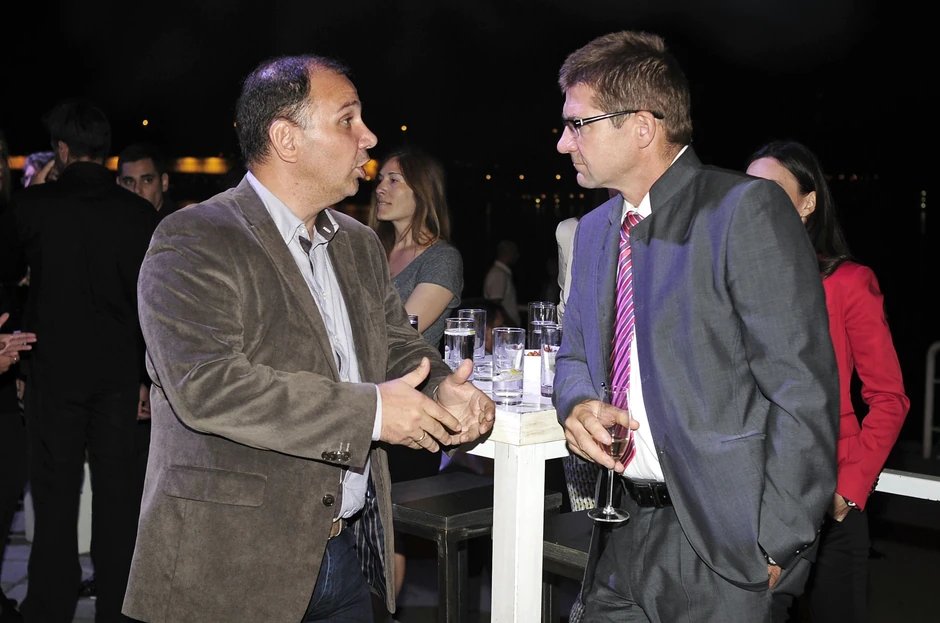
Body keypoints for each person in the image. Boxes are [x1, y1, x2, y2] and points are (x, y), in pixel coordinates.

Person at [121, 55, 495, 623]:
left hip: (343, 552)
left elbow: (395, 342)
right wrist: (373, 413)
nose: (368, 136)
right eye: (347, 119)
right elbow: (207, 385)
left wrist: (443, 387)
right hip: (230, 562)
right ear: (286, 139)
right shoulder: (195, 237)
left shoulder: (358, 242)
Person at [552, 31, 839, 622]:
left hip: (721, 546)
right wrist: (577, 403)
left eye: (578, 124)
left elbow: (801, 386)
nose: (563, 142)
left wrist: (777, 540)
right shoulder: (596, 229)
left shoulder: (743, 210)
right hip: (617, 531)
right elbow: (574, 357)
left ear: (642, 127)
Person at [0, 99, 158, 623]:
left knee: (54, 496)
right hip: (118, 378)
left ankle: (50, 605)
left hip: (52, 374)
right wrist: (145, 377)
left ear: (63, 150)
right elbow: (150, 304)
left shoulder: (32, 207)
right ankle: (118, 608)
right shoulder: (138, 214)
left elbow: (6, 275)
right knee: (118, 500)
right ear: (105, 152)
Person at [746, 140, 909, 622]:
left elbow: (890, 398)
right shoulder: (735, 281)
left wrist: (849, 486)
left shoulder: (848, 283)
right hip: (752, 495)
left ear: (808, 203)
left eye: (771, 190)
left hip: (828, 493)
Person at [368, 146, 464, 598]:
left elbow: (402, 330)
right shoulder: (369, 250)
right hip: (364, 400)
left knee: (390, 526)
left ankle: (384, 612)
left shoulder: (441, 258)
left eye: (394, 180)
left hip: (410, 405)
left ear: (422, 191)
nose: (380, 188)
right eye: (379, 179)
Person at [116, 143, 180, 221]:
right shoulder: (111, 222)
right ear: (118, 184)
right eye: (128, 182)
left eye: (147, 181)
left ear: (164, 182)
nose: (137, 190)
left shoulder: (182, 225)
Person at [483, 239, 522, 325]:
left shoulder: (501, 273)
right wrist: (512, 325)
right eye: (515, 252)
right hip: (504, 329)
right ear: (508, 253)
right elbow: (495, 305)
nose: (517, 256)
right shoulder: (498, 274)